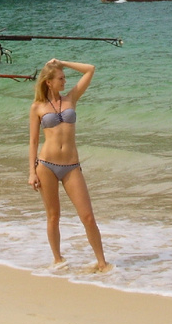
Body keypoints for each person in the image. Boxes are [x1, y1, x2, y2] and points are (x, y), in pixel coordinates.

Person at [28, 58, 110, 271]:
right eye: (61, 78)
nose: (65, 81)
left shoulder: (71, 98)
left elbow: (90, 69)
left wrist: (62, 62)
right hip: (46, 165)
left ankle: (102, 262)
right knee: (53, 216)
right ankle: (57, 259)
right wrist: (31, 172)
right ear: (49, 82)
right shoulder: (37, 107)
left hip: (71, 167)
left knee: (88, 216)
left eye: (65, 78)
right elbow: (34, 141)